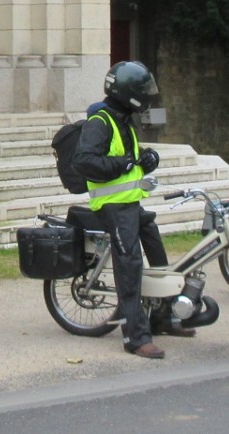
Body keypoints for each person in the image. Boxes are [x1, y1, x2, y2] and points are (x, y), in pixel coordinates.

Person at [70, 61, 168, 359]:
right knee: (129, 265)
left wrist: (145, 159)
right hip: (111, 206)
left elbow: (129, 159)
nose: (147, 96)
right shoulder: (101, 121)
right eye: (142, 91)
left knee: (153, 239)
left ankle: (164, 316)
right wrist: (122, 164)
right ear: (128, 93)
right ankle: (135, 337)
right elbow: (84, 161)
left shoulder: (122, 119)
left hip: (128, 203)